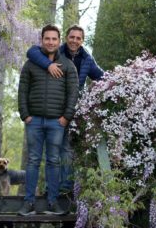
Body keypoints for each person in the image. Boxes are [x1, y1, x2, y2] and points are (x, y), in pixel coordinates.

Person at [26, 25, 104, 193]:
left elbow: (102, 77)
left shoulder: (87, 59)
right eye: (72, 37)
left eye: (78, 38)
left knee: (66, 149)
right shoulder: (54, 52)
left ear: (82, 41)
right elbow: (31, 52)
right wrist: (48, 65)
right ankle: (50, 188)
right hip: (52, 110)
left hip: (72, 111)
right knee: (50, 153)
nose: (74, 40)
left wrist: (122, 80)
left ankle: (66, 187)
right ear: (66, 38)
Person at [18, 24, 79, 216]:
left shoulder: (68, 66)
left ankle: (53, 202)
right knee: (33, 161)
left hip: (56, 123)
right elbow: (22, 92)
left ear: (59, 42)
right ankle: (29, 202)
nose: (51, 42)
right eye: (47, 39)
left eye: (54, 39)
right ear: (42, 40)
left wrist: (65, 118)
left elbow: (73, 94)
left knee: (53, 161)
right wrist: (25, 115)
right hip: (34, 121)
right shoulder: (30, 65)